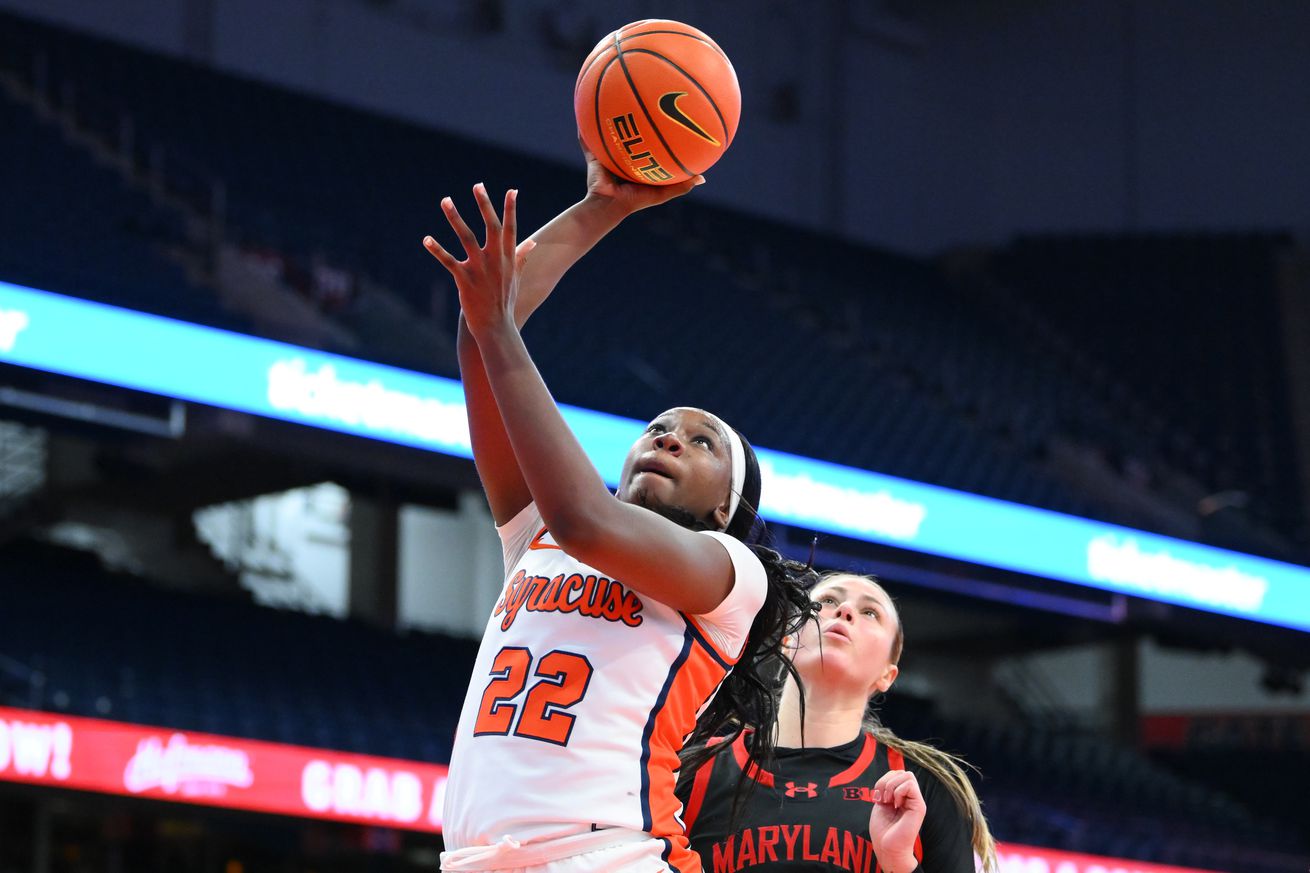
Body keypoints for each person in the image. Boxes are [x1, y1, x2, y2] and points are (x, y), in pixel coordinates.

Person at [423, 156, 814, 873]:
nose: (668, 436)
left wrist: (499, 331)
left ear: (728, 503)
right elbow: (481, 352)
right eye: (658, 426)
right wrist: (604, 206)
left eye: (702, 442)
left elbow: (586, 520)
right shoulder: (533, 534)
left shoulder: (732, 574)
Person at [679, 573, 996, 873]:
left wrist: (900, 863)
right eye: (827, 601)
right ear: (788, 639)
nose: (844, 610)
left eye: (870, 612)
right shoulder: (696, 769)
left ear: (887, 675)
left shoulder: (921, 788)